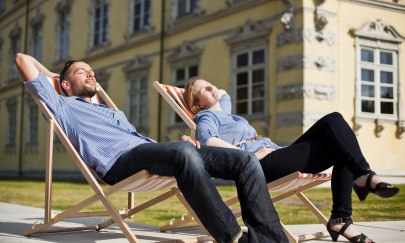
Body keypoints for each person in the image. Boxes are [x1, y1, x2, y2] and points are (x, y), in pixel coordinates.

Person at [15, 53, 289, 243]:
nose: (90, 73)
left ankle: (269, 239)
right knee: (182, 153)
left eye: (91, 71)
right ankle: (234, 238)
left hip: (150, 151)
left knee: (244, 160)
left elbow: (150, 146)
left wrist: (181, 148)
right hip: (118, 162)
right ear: (65, 85)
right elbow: (22, 60)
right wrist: (54, 75)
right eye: (81, 72)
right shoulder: (62, 106)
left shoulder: (112, 111)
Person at [184, 77, 400, 243]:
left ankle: (344, 214)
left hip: (278, 153)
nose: (210, 87)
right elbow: (209, 141)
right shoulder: (206, 117)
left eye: (209, 83)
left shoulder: (225, 113)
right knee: (336, 132)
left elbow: (223, 94)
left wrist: (210, 90)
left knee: (337, 132)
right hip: (262, 165)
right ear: (197, 104)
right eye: (202, 89)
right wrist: (249, 156)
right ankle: (362, 181)